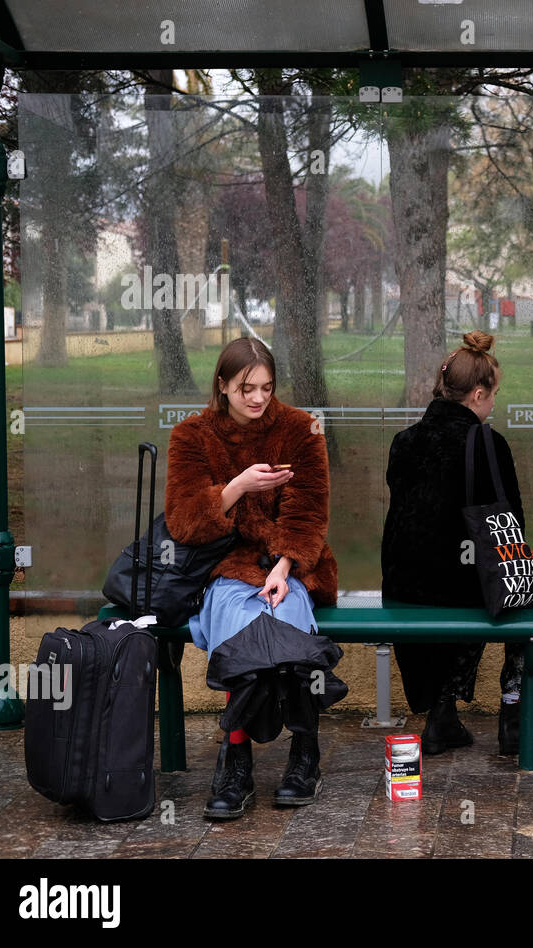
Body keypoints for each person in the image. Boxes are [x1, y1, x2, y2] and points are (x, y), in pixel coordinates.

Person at [165, 336, 338, 819]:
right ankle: (237, 757)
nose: (258, 399)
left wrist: (285, 568)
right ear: (223, 386)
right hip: (224, 569)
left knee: (285, 612)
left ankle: (302, 752)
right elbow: (184, 522)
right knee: (245, 624)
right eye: (246, 388)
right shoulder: (192, 436)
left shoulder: (301, 428)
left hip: (292, 566)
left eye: (266, 387)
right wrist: (239, 485)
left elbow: (309, 516)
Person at [381, 330, 532, 756]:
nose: (495, 403)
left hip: (403, 585)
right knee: (520, 590)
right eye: (494, 394)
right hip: (459, 585)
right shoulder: (487, 442)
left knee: (458, 575)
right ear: (478, 394)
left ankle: (442, 713)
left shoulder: (404, 441)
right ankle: (512, 708)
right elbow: (510, 526)